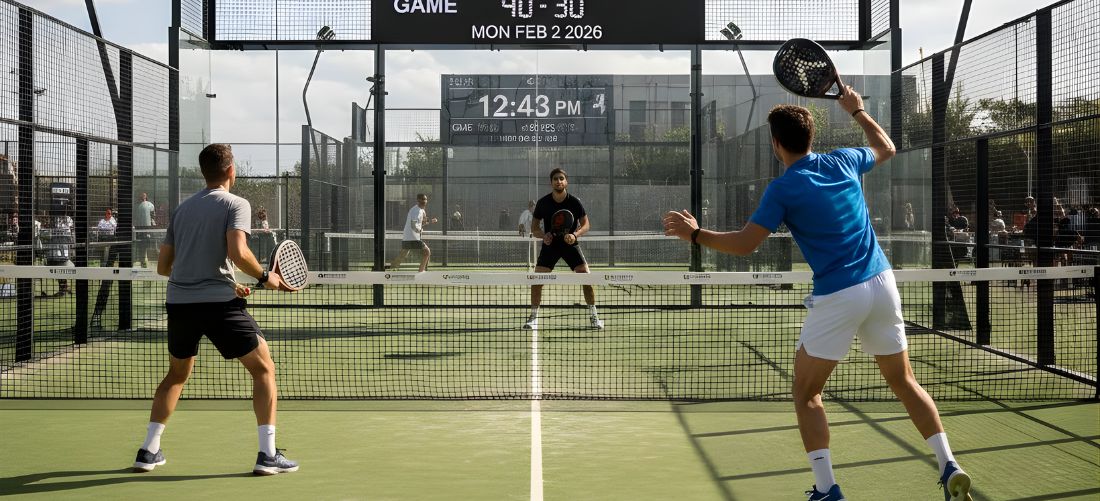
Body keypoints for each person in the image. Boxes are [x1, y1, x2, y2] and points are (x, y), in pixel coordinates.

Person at [663, 90, 971, 501]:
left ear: (775, 143)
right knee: (904, 381)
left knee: (806, 393)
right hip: (883, 284)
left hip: (840, 294)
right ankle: (949, 463)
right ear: (811, 136)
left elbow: (745, 245)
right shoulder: (844, 159)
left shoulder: (783, 188)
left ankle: (827, 489)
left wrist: (695, 234)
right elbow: (887, 147)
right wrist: (857, 110)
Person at [133, 144, 298, 475]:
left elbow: (164, 266)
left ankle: (148, 451)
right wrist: (266, 276)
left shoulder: (182, 210)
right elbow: (238, 252)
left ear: (204, 172)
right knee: (264, 369)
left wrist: (224, 280)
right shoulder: (236, 204)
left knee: (177, 375)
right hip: (219, 306)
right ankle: (267, 455)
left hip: (179, 304)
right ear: (230, 171)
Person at [524, 168, 603, 330]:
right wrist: (543, 236)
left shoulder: (575, 202)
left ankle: (594, 317)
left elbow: (586, 225)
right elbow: (534, 228)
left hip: (570, 246)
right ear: (551, 182)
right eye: (555, 179)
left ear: (566, 182)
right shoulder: (543, 203)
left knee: (587, 280)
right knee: (536, 282)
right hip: (550, 246)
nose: (558, 181)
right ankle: (533, 318)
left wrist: (575, 235)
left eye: (561, 178)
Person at [389, 193, 438, 272]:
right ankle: (421, 272)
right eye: (422, 199)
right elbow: (413, 225)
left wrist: (431, 221)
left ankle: (387, 271)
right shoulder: (416, 211)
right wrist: (419, 230)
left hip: (407, 237)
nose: (424, 201)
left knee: (402, 255)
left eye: (425, 199)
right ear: (418, 200)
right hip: (413, 237)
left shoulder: (421, 211)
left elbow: (422, 222)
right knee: (427, 252)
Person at [135, 193, 156, 267]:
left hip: (148, 228)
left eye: (144, 195)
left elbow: (153, 216)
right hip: (139, 228)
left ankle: (145, 260)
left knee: (146, 243)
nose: (143, 197)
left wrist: (152, 225)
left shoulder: (150, 205)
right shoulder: (137, 206)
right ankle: (142, 260)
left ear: (146, 197)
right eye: (142, 195)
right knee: (140, 244)